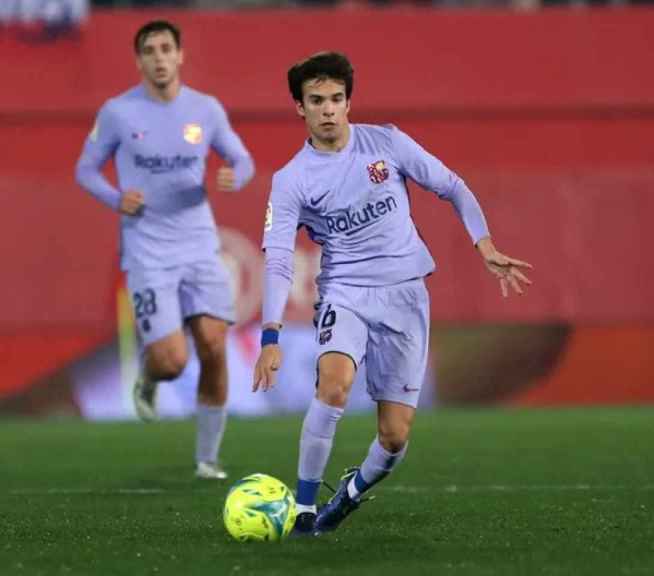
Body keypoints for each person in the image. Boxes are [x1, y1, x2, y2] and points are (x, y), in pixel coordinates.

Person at [252, 52, 532, 536]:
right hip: (345, 292)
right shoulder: (291, 179)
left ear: (348, 102)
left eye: (336, 99)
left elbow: (453, 187)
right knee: (333, 385)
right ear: (300, 107)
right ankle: (301, 509)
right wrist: (270, 334)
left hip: (405, 295)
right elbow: (277, 258)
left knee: (394, 436)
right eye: (316, 100)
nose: (328, 110)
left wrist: (483, 244)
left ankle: (350, 493)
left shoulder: (387, 143)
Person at [75, 20, 254, 480]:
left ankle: (207, 459)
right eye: (149, 50)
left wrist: (237, 172)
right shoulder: (118, 112)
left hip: (199, 244)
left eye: (165, 48)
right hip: (148, 251)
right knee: (172, 361)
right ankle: (149, 378)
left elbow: (243, 157)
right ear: (139, 61)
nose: (158, 57)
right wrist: (117, 198)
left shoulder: (206, 110)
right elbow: (86, 170)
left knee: (214, 344)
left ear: (180, 56)